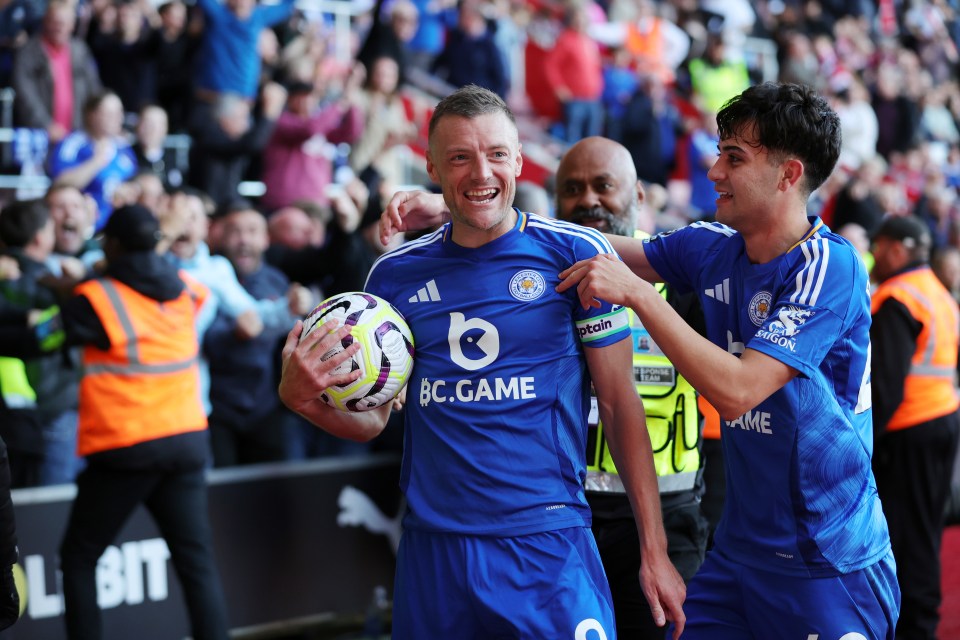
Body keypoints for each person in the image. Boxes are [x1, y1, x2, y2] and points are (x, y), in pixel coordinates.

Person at [280, 85, 686, 639]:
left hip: (545, 545)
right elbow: (371, 422)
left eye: (496, 154)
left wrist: (654, 550)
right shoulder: (393, 277)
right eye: (460, 158)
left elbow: (618, 405)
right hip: (434, 552)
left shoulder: (576, 253)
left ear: (519, 159)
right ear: (431, 166)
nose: (481, 173)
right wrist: (299, 398)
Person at [552, 82, 900, 638]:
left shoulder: (829, 267)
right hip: (738, 560)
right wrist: (482, 217)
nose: (713, 171)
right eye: (719, 153)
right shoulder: (711, 247)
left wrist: (640, 294)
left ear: (788, 175)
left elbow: (739, 392)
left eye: (733, 158)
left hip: (828, 565)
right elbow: (600, 246)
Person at [0, 204, 230, 639]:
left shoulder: (98, 299)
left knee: (80, 557)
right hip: (186, 439)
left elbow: (36, 341)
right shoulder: (184, 287)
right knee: (195, 561)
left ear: (114, 245)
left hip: (129, 443)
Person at [555, 136, 708, 639]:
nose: (588, 200)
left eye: (604, 186)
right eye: (572, 189)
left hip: (666, 518)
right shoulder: (538, 285)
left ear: (639, 196)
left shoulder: (681, 283)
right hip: (562, 519)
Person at [869, 214, 960, 640]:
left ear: (896, 249)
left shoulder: (898, 297)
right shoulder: (938, 292)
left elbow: (885, 386)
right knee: (925, 533)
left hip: (909, 433)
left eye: (878, 248)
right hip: (942, 422)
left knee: (907, 541)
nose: (874, 257)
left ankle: (914, 626)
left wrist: (865, 446)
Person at [11, 0, 102, 144]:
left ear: (73, 25)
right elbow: (25, 94)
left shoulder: (81, 50)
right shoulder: (28, 52)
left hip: (78, 134)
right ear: (46, 22)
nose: (59, 27)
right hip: (40, 136)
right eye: (55, 22)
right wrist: (45, 125)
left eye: (64, 22)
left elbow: (94, 88)